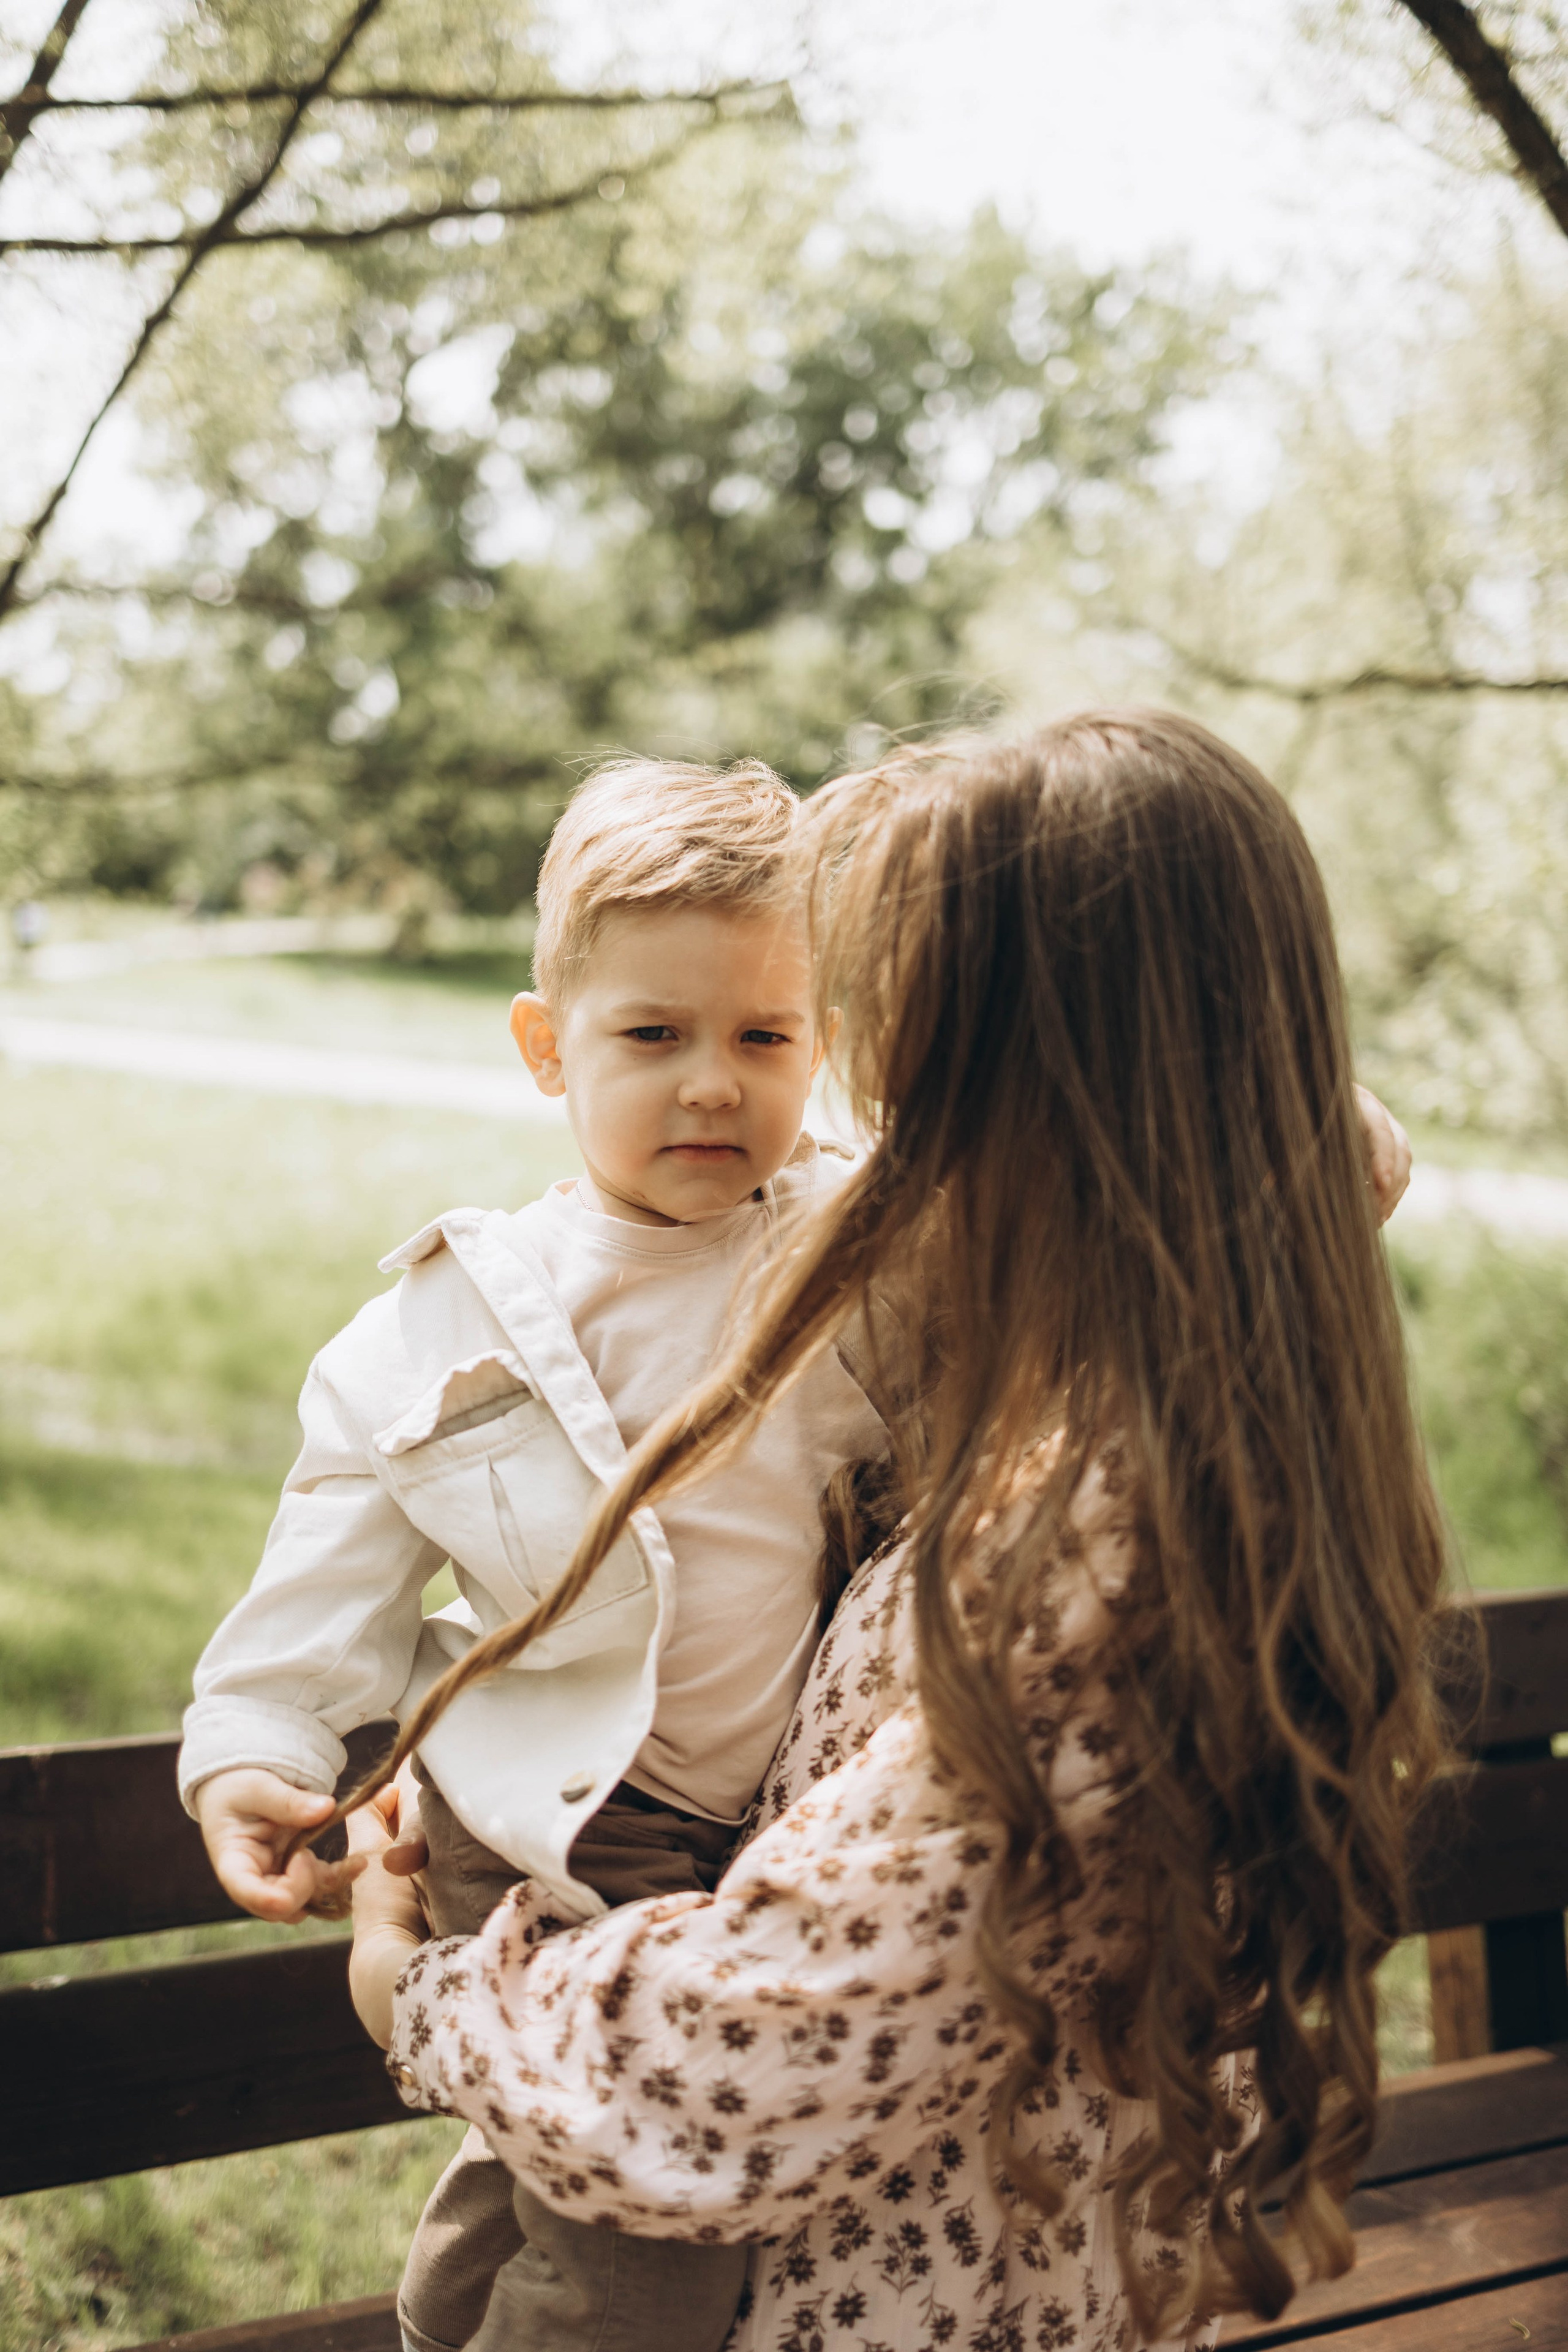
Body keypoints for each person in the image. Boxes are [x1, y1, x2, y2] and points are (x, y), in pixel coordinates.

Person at [349, 709, 1444, 2352]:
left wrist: (417, 1993)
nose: (869, 1095)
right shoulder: (1161, 1369)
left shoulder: (1108, 1543)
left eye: (912, 1035)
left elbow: (749, 2072)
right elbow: (1339, 1143)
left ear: (1048, 1085)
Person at [177, 759, 892, 2352]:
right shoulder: (442, 1327)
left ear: (820, 1046)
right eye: (655, 1036)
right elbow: (324, 1585)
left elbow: (1088, 1193)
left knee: (554, 2190)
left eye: (763, 1038)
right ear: (546, 1045)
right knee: (647, 2237)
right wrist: (251, 1754)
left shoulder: (854, 1254)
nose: (714, 1084)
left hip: (775, 1826)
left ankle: (450, 2328)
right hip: (558, 1833)